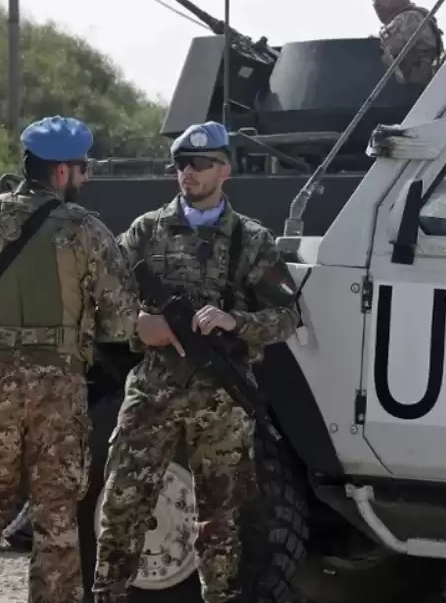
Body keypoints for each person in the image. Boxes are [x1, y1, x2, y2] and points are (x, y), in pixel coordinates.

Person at [0, 115, 139, 603]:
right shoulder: (87, 230)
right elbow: (123, 322)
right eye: (83, 169)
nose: (85, 178)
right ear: (62, 172)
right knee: (56, 517)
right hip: (59, 389)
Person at [91, 121, 301, 603]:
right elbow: (99, 297)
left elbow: (288, 316)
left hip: (221, 398)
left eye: (201, 164)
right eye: (183, 163)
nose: (189, 172)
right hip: (153, 390)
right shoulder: (145, 231)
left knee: (221, 519)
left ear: (225, 170)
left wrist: (235, 322)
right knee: (122, 505)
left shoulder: (251, 240)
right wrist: (138, 324)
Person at [365, 0, 444, 87]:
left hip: (416, 91)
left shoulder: (409, 18)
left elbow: (385, 55)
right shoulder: (416, 17)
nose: (376, 3)